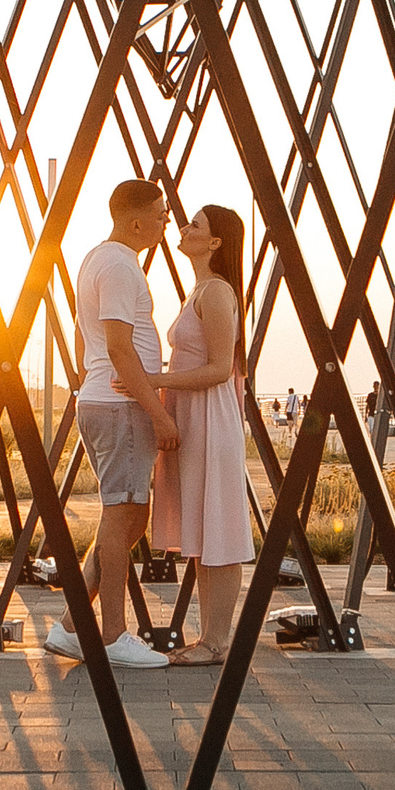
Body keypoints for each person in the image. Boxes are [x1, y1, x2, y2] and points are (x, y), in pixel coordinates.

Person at [46, 179, 177, 670]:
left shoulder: (100, 258)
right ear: (137, 218)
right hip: (120, 404)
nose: (166, 221)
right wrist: (158, 412)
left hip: (109, 400)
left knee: (128, 518)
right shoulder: (121, 265)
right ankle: (114, 634)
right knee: (121, 517)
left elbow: (101, 343)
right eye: (161, 213)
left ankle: (72, 626)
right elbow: (120, 347)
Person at [142, 204, 254, 665]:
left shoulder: (215, 291)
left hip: (210, 416)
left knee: (219, 528)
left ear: (215, 243)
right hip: (194, 417)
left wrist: (155, 381)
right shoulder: (199, 291)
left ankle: (216, 641)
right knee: (205, 526)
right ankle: (210, 637)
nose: (184, 228)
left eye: (196, 225)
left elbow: (219, 369)